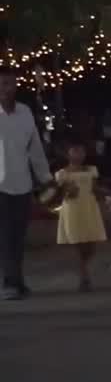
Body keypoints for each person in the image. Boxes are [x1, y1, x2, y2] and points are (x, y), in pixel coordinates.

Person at [0, 65, 53, 300]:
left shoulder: (25, 113)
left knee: (19, 235)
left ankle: (18, 280)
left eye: (9, 83)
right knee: (6, 234)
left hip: (21, 183)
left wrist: (46, 179)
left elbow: (35, 150)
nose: (5, 88)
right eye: (2, 84)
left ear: (16, 85)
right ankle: (10, 282)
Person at [55, 141, 108, 291]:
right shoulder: (62, 174)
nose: (78, 154)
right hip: (72, 210)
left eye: (81, 151)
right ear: (68, 154)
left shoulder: (92, 170)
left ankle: (83, 271)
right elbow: (58, 193)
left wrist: (106, 197)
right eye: (75, 151)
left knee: (91, 245)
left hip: (89, 208)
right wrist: (67, 191)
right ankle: (84, 277)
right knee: (78, 244)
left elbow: (95, 188)